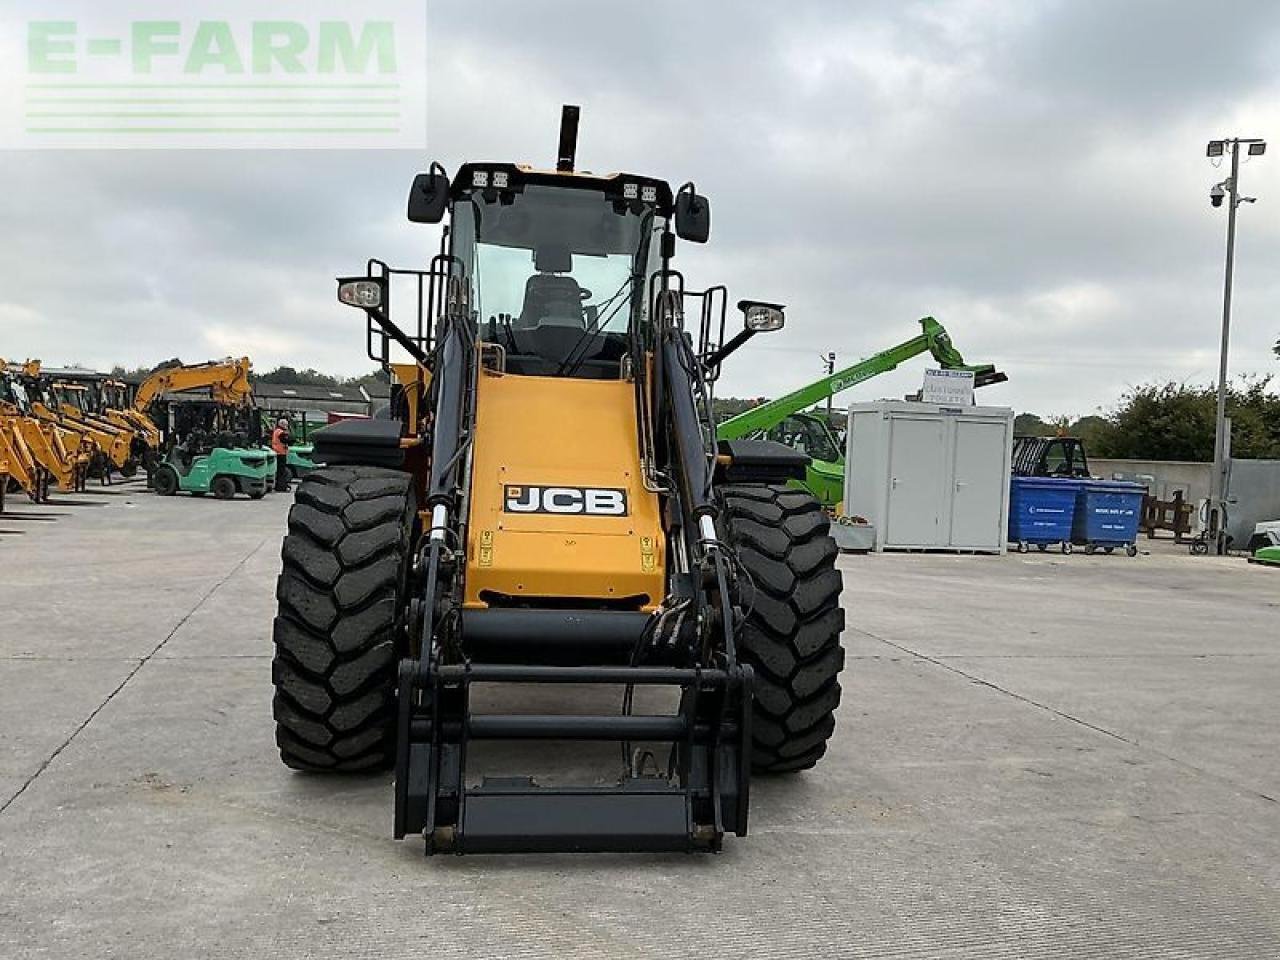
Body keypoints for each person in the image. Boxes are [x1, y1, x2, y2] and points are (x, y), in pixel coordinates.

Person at [270, 417, 293, 492]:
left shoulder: (276, 431)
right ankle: (281, 486)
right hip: (280, 453)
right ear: (283, 425)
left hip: (277, 452)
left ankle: (279, 485)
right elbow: (287, 440)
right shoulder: (281, 432)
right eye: (286, 425)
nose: (286, 427)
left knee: (279, 471)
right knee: (281, 472)